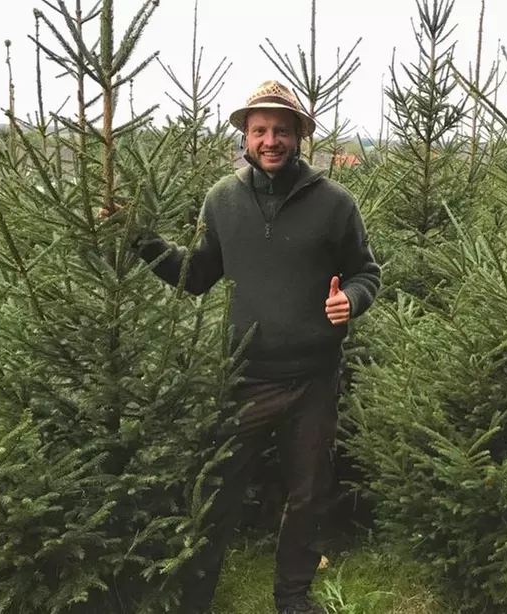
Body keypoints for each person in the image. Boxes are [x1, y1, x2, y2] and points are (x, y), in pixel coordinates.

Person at [102, 80, 381, 614]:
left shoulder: (336, 204)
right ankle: (196, 598)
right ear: (245, 137)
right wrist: (139, 236)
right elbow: (197, 274)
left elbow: (367, 270)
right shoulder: (222, 200)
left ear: (299, 134)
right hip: (246, 376)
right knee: (218, 491)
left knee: (307, 493)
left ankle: (292, 596)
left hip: (314, 377)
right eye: (259, 130)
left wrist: (352, 296)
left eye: (280, 129)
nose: (270, 140)